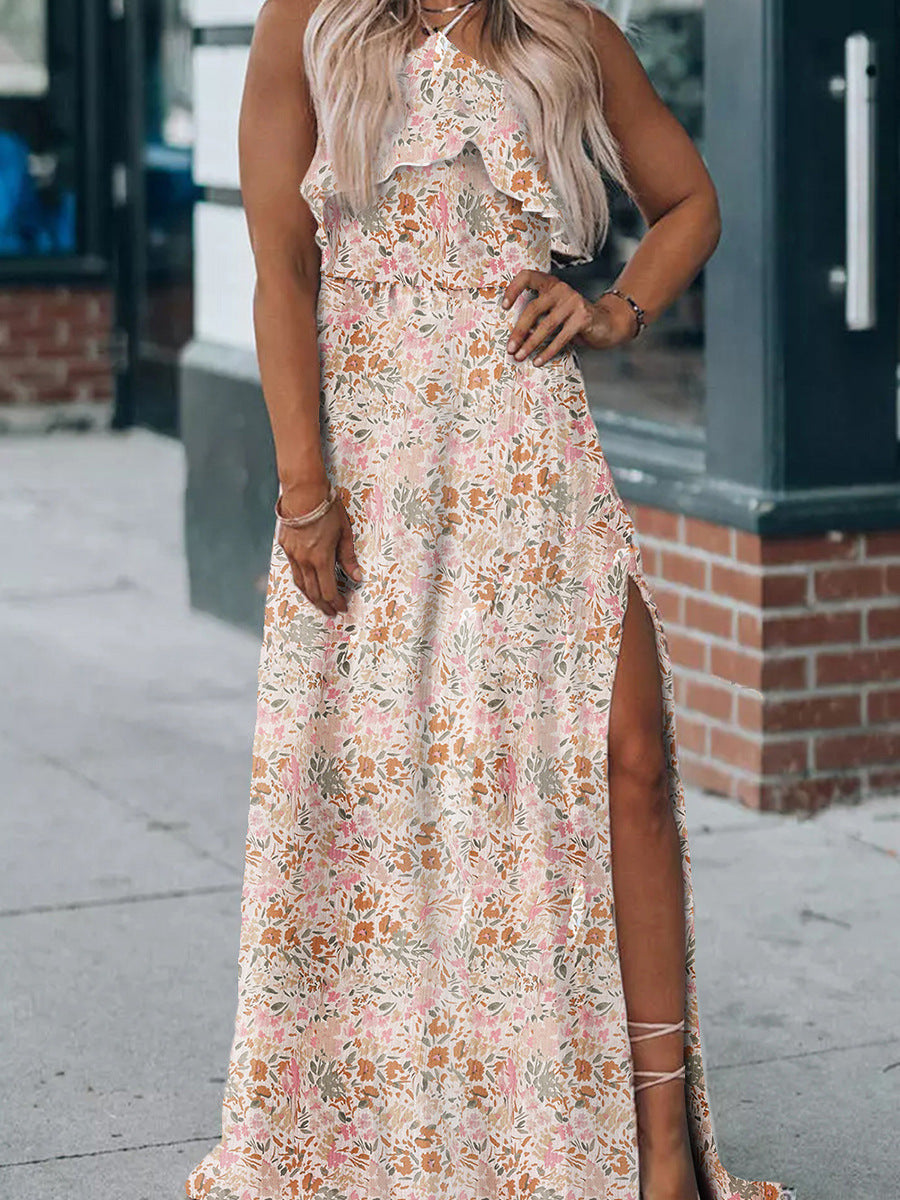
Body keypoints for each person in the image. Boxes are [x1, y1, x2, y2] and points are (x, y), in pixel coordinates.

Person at [186, 2, 797, 1199]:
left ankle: (664, 1159)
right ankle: (430, 1131)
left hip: (528, 442)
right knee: (399, 795)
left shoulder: (561, 27)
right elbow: (279, 268)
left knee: (632, 757)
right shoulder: (307, 21)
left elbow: (693, 202)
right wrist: (304, 488)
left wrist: (619, 308)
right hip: (375, 456)